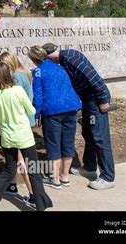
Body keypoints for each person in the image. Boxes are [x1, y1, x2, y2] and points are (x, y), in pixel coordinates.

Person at [0, 61, 52, 211]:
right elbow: (31, 111)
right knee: (34, 172)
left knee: (9, 170)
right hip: (24, 136)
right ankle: (40, 206)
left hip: (7, 138)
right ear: (8, 73)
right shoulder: (18, 90)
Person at [42, 43, 115, 190]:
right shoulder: (64, 59)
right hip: (87, 101)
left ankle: (108, 177)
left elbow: (93, 78)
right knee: (88, 133)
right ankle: (89, 168)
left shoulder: (70, 59)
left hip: (95, 101)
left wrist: (103, 99)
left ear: (50, 57)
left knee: (100, 137)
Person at [27, 46, 81, 190]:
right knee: (68, 143)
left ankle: (55, 179)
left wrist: (36, 114)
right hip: (70, 108)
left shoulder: (38, 71)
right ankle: (65, 176)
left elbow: (37, 96)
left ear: (34, 59)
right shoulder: (59, 67)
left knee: (53, 145)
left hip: (52, 111)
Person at [0, 52, 35, 206]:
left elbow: (15, 100)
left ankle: (33, 194)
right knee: (14, 157)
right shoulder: (23, 73)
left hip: (19, 123)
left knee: (21, 161)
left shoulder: (17, 77)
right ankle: (12, 185)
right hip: (22, 121)